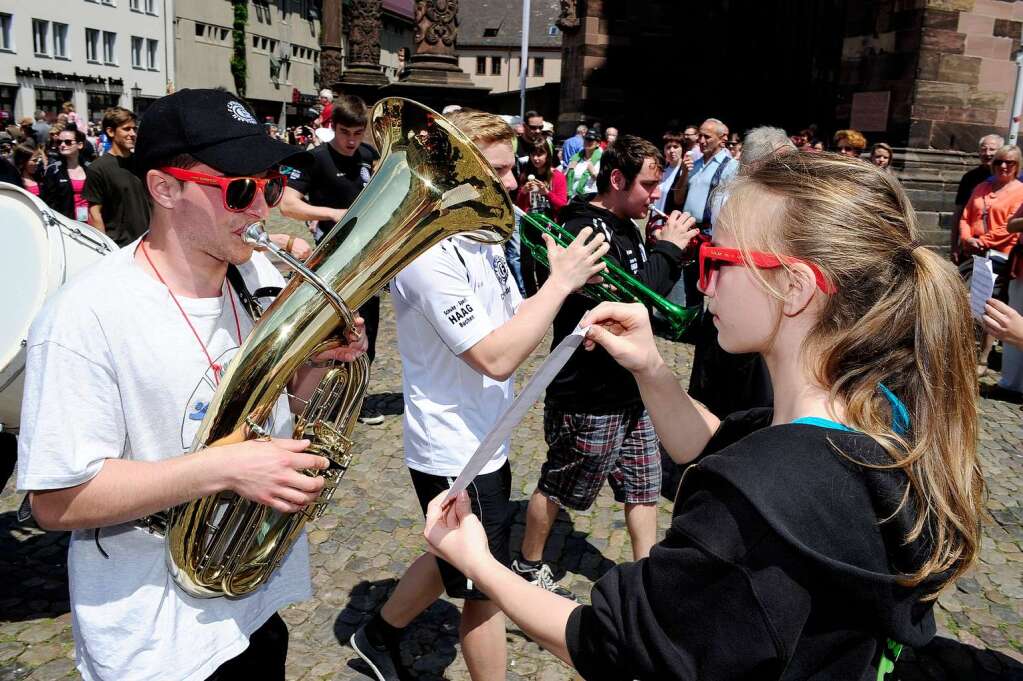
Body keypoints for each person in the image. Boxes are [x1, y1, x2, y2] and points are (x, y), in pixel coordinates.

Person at [423, 151, 984, 681]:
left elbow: (614, 644)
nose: (703, 278)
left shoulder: (759, 497)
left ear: (794, 287)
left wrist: (481, 562)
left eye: (717, 259)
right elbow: (719, 443)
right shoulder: (875, 412)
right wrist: (651, 369)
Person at [17, 87, 367, 681]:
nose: (261, 211)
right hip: (156, 640)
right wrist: (224, 469)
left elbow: (275, 412)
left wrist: (317, 365)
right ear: (164, 188)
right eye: (238, 190)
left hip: (252, 611)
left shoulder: (251, 275)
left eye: (270, 186)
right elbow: (55, 501)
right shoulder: (87, 316)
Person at [348, 109, 609, 681]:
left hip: (486, 433)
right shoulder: (426, 255)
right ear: (457, 175)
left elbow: (511, 319)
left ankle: (379, 632)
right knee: (484, 587)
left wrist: (573, 317)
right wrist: (560, 281)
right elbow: (493, 357)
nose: (513, 184)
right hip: (452, 447)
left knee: (455, 558)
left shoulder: (482, 235)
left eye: (511, 169)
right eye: (497, 171)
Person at [516, 135, 697, 597]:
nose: (655, 195)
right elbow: (630, 302)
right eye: (648, 185)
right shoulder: (585, 229)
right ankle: (527, 563)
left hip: (629, 387)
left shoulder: (623, 222)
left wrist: (663, 251)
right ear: (617, 179)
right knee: (559, 485)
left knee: (644, 486)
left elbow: (640, 298)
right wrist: (670, 250)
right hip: (587, 393)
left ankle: (649, 575)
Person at [280, 94, 384, 424]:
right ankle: (321, 400)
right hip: (330, 260)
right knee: (331, 331)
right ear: (332, 127)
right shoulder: (314, 159)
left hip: (366, 258)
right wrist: (333, 213)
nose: (352, 140)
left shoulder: (368, 154)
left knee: (367, 328)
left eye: (357, 133)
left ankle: (356, 398)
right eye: (344, 132)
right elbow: (288, 205)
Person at [958, 144, 1023, 376]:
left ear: (1018, 166)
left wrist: (984, 240)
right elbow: (966, 214)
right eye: (999, 162)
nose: (1003, 166)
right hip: (974, 253)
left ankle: (983, 359)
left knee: (991, 306)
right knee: (966, 302)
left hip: (1000, 256)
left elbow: (1010, 228)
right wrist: (966, 237)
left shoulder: (1019, 191)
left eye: (1010, 162)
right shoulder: (982, 186)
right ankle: (962, 351)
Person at [680, 118, 738, 307]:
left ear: (722, 139)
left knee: (710, 284)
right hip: (689, 232)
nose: (702, 141)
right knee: (689, 281)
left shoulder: (730, 167)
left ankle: (707, 328)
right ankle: (692, 321)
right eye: (700, 136)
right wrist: (683, 174)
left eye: (707, 137)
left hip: (709, 235)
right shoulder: (695, 164)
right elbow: (679, 198)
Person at [82, 106, 151, 245]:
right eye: (126, 129)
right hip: (120, 247)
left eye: (134, 129)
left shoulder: (142, 162)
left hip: (148, 242)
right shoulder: (97, 168)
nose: (132, 133)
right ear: (111, 131)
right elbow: (95, 214)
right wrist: (106, 250)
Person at [516, 136, 569, 297]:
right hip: (529, 224)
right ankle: (532, 297)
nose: (536, 158)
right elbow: (519, 206)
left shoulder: (557, 176)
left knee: (542, 266)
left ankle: (545, 298)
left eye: (541, 154)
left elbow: (562, 204)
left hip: (547, 226)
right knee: (525, 265)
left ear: (548, 155)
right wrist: (523, 192)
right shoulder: (526, 175)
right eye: (533, 154)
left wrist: (546, 193)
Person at [953, 134, 1004, 262]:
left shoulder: (1012, 181)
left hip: (998, 249)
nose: (987, 153)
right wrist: (955, 244)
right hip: (970, 246)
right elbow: (960, 214)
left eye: (992, 149)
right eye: (983, 149)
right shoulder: (970, 178)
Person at [41, 128, 91, 223]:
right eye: (59, 142)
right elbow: (49, 202)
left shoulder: (90, 168)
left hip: (89, 223)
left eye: (68, 142)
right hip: (65, 224)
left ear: (80, 145)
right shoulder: (53, 170)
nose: (62, 145)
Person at [653, 130, 686, 215]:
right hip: (655, 219)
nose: (671, 150)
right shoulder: (661, 170)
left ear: (682, 149)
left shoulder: (684, 171)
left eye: (676, 147)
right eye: (668, 147)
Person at [566, 129, 602, 199]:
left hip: (591, 200)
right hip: (573, 198)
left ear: (598, 143)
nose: (587, 142)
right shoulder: (575, 159)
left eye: (591, 140)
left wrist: (594, 174)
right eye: (586, 139)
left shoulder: (602, 160)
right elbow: (566, 179)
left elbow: (606, 184)